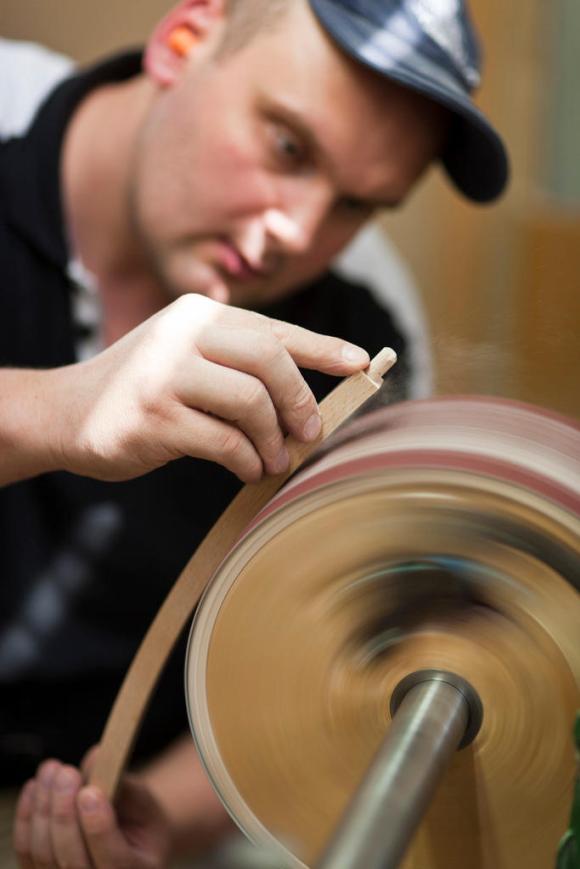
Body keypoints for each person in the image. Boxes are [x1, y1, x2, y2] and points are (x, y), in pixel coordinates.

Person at [0, 0, 508, 865]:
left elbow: (330, 655)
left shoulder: (361, 335)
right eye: (289, 148)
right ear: (184, 41)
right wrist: (58, 412)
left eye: (357, 203)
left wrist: (160, 816)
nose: (297, 232)